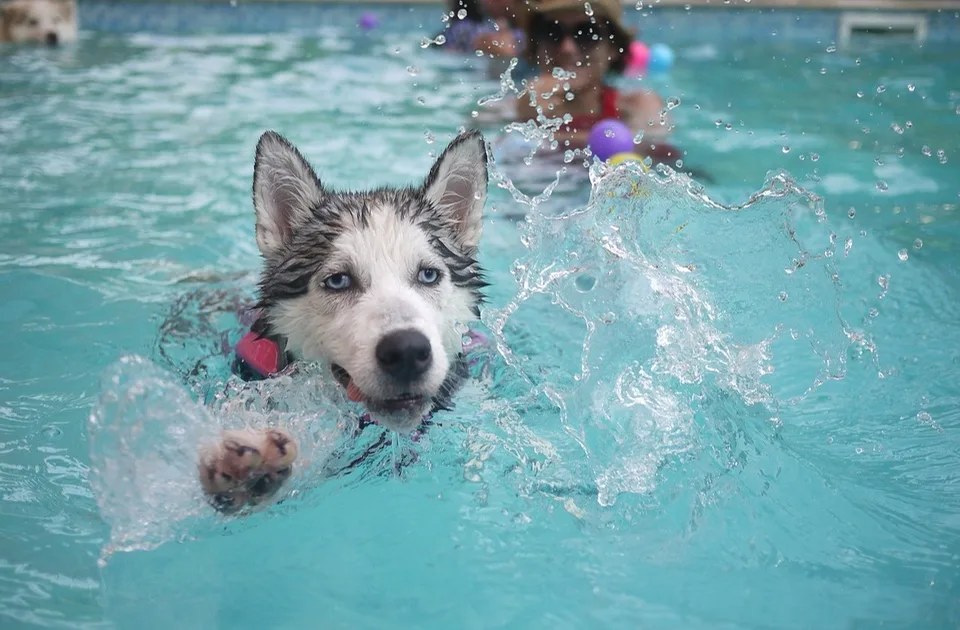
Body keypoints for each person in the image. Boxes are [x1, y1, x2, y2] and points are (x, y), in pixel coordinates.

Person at [515, 0, 679, 166]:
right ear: (536, 46)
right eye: (552, 32)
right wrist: (525, 118)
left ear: (613, 48)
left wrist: (532, 134)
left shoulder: (637, 106)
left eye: (586, 33)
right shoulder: (514, 108)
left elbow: (658, 153)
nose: (567, 48)